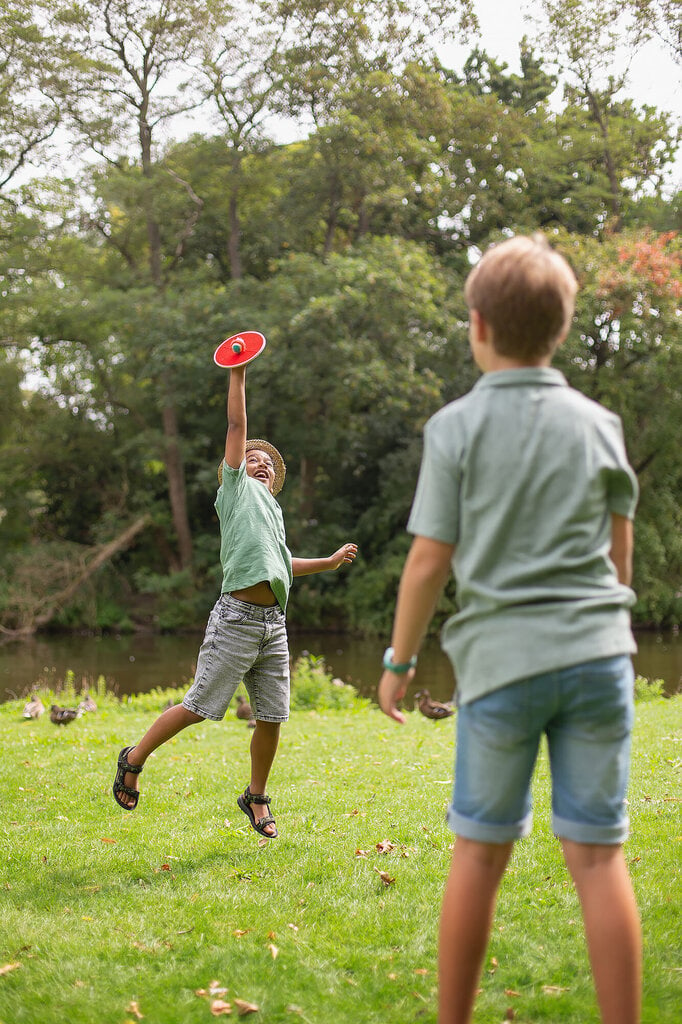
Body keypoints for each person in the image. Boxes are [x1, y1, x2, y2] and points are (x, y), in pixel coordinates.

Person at [378, 234, 641, 1024]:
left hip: (502, 668)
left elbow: (429, 562)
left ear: (479, 326)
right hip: (600, 659)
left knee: (481, 853)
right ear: (557, 330)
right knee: (598, 858)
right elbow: (619, 556)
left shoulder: (455, 428)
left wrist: (400, 660)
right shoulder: (600, 423)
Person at [113, 363, 357, 838]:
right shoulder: (235, 492)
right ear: (236, 467)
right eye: (251, 457)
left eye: (267, 461)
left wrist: (326, 563)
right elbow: (236, 426)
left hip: (273, 624)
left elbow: (280, 562)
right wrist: (238, 374)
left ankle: (256, 796)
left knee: (271, 717)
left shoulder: (273, 509)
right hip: (236, 619)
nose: (260, 460)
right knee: (200, 705)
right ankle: (134, 757)